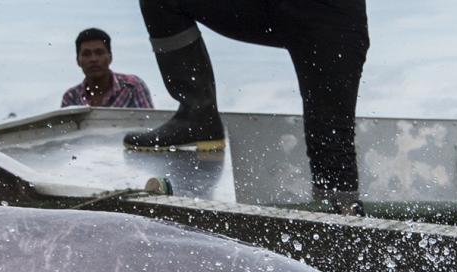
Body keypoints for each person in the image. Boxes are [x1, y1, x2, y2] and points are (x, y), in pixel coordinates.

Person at [126, 0, 368, 211]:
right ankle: (198, 116)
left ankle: (339, 221)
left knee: (330, 144)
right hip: (270, 7)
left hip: (331, 18)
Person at [60, 28, 153, 109]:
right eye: (86, 54)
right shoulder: (71, 97)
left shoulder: (131, 87)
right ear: (78, 60)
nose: (93, 59)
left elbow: (149, 126)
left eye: (99, 52)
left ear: (110, 57)